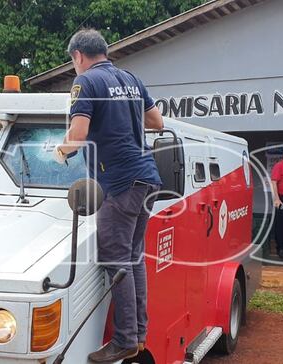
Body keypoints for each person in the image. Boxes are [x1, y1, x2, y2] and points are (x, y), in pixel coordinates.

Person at [53, 29, 164, 363]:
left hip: (119, 183)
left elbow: (79, 134)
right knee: (133, 259)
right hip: (147, 179)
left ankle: (125, 339)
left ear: (78, 56)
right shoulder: (130, 79)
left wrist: (58, 152)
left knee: (115, 259)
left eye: (73, 61)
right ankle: (138, 334)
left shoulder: (85, 83)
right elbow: (157, 122)